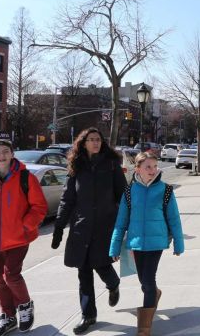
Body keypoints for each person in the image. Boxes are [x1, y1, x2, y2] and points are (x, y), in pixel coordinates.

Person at [51, 127, 127, 335]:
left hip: (105, 225)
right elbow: (68, 198)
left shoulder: (112, 165)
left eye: (98, 139)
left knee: (101, 264)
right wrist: (59, 226)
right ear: (83, 143)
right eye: (91, 139)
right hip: (81, 227)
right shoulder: (76, 166)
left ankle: (113, 284)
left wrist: (128, 222)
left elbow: (123, 195)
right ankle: (88, 315)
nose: (96, 143)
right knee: (83, 272)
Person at [0, 139, 48, 336]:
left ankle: (25, 306)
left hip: (18, 239)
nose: (2, 155)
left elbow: (39, 207)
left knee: (11, 275)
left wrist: (24, 226)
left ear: (13, 154)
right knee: (0, 279)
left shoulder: (26, 178)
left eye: (6, 151)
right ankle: (8, 316)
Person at [109, 152, 184, 336]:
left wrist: (179, 243)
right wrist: (115, 246)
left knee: (148, 281)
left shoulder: (165, 190)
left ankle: (144, 329)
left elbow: (174, 219)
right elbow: (121, 221)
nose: (152, 170)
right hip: (136, 243)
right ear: (138, 169)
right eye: (148, 167)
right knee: (144, 282)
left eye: (155, 166)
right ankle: (155, 294)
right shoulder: (129, 191)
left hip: (156, 243)